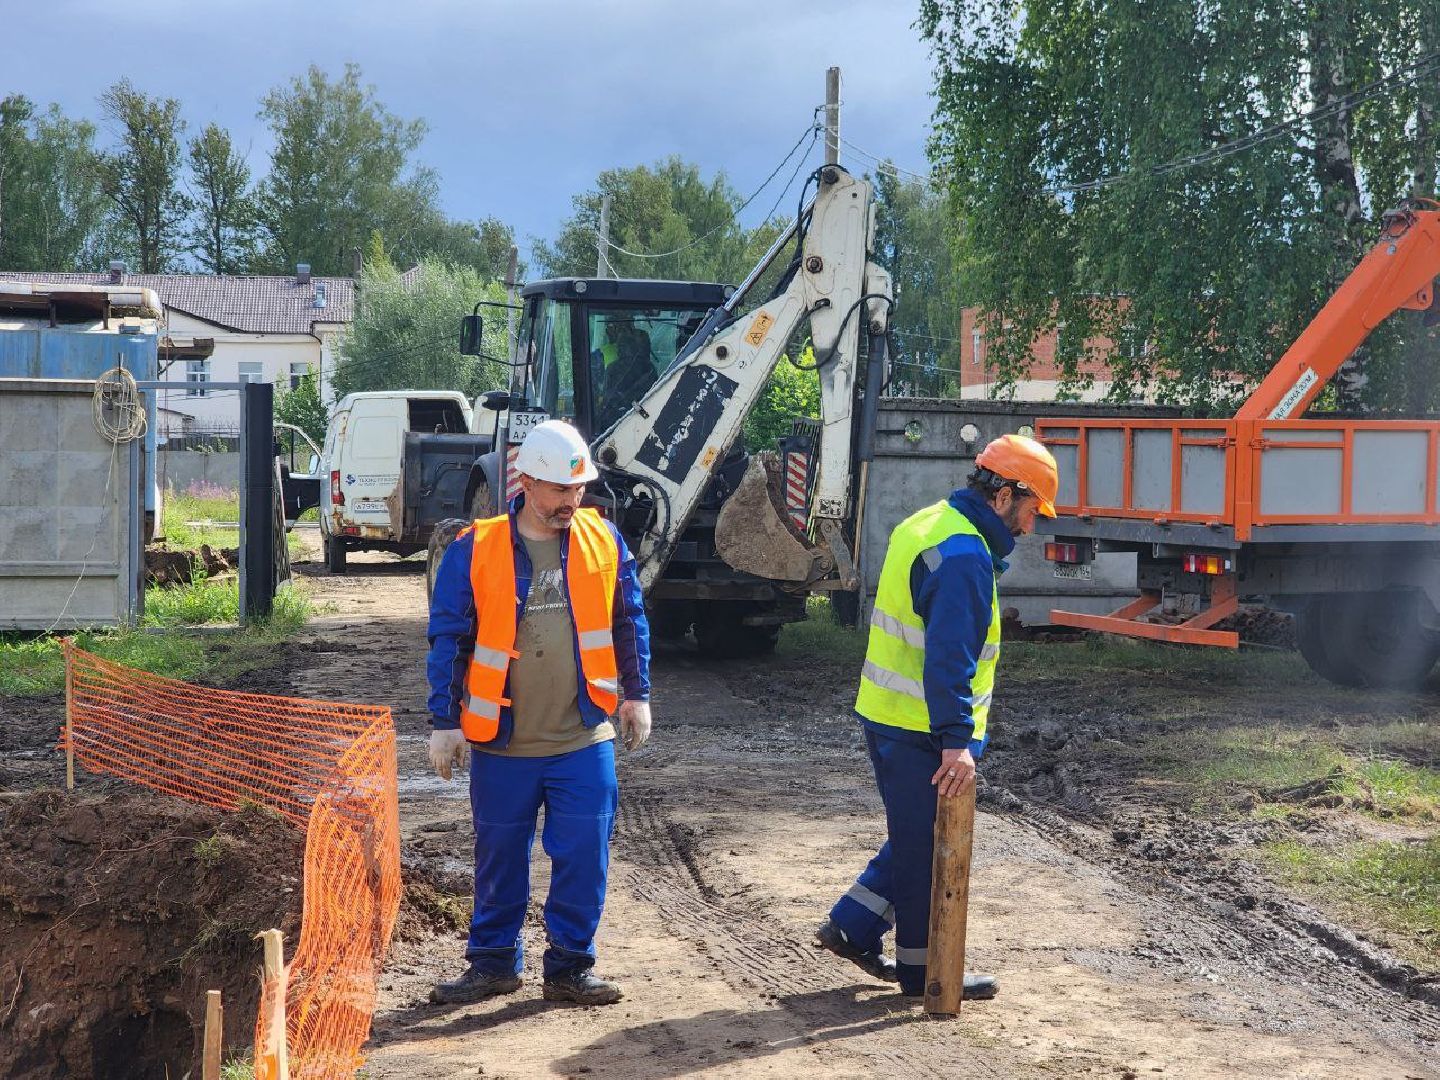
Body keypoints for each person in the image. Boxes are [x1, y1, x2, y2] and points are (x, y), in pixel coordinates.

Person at [816, 433, 1059, 1001]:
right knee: (929, 849)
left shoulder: (929, 522)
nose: (1029, 527)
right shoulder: (966, 558)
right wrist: (957, 743)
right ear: (1003, 496)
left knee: (915, 834)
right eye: (1029, 511)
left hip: (888, 715)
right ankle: (926, 973)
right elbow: (949, 661)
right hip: (922, 729)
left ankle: (853, 924)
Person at [425, 418, 652, 1007]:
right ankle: (494, 963)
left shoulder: (604, 539)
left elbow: (628, 619)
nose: (569, 502)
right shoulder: (474, 548)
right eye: (558, 490)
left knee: (584, 857)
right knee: (499, 861)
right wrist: (444, 723)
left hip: (584, 735)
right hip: (504, 743)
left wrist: (636, 693)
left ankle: (571, 966)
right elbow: (449, 638)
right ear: (525, 481)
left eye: (578, 490)